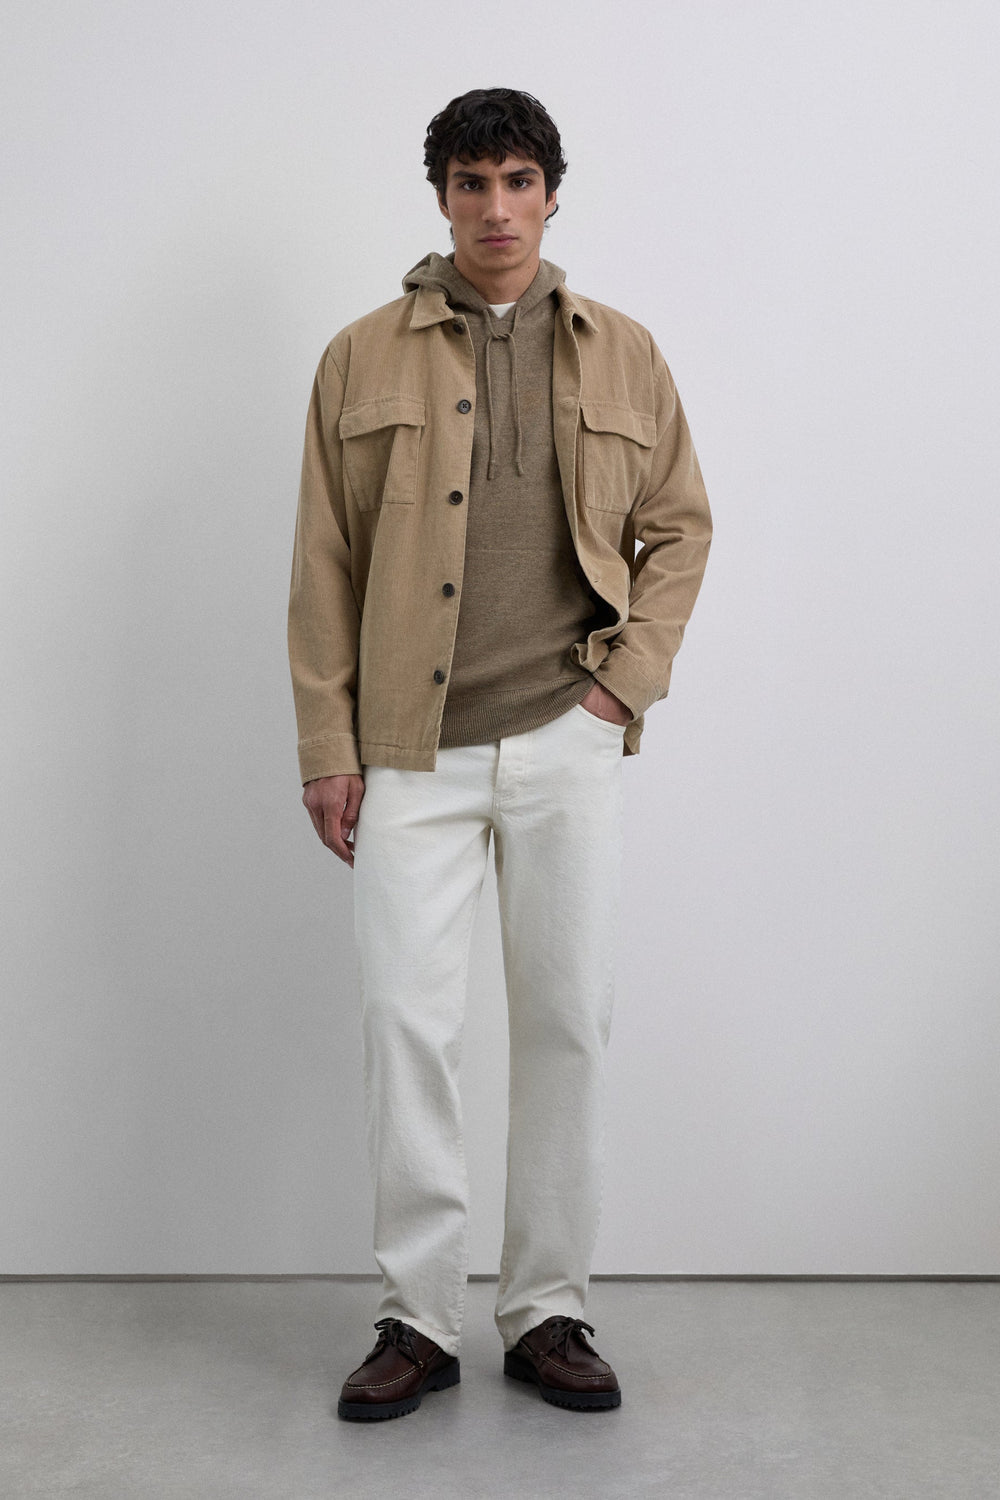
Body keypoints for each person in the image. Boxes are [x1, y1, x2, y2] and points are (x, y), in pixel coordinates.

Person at [288, 87, 712, 1421]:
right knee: (407, 1028)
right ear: (442, 199)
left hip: (566, 737)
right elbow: (323, 562)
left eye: (518, 181)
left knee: (567, 1024)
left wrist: (618, 692)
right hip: (407, 751)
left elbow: (681, 527)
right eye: (471, 183)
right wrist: (328, 742)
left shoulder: (625, 353)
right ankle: (417, 1316)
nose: (495, 208)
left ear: (551, 195)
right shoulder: (360, 356)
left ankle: (548, 1311)